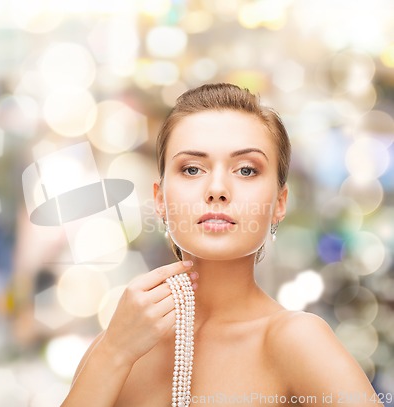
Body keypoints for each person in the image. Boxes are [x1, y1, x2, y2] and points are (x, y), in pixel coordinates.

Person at [60, 83, 383, 406]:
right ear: (159, 199)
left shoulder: (295, 340)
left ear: (280, 203)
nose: (217, 189)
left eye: (245, 170)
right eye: (192, 169)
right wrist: (113, 354)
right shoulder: (117, 345)